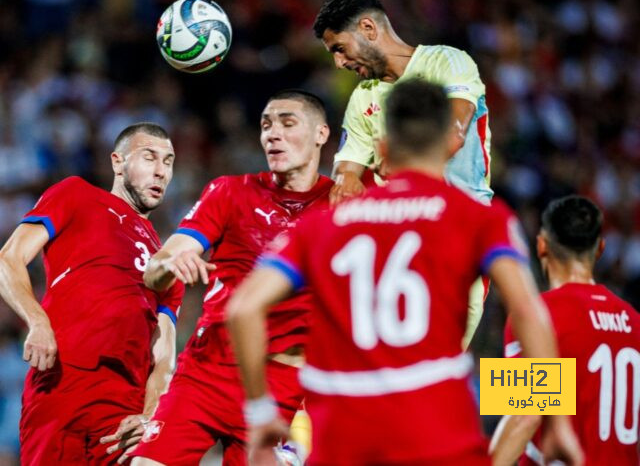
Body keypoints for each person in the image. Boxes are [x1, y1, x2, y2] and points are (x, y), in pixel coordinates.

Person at [227, 79, 583, 466]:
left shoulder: (324, 224)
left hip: (344, 431)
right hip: (435, 424)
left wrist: (261, 412)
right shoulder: (620, 317)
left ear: (382, 149)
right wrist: (561, 425)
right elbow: (529, 384)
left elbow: (242, 308)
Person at [129, 89, 332, 466]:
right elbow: (156, 268)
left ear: (321, 134)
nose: (273, 134)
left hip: (286, 388)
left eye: (288, 123)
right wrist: (168, 265)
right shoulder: (229, 192)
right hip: (207, 370)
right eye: (266, 125)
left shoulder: (345, 206)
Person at [313, 0, 492, 345]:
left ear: (367, 28)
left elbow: (454, 132)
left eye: (339, 48)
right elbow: (345, 174)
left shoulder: (447, 62)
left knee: (436, 365)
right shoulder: (363, 98)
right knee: (396, 369)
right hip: (398, 249)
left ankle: (544, 399)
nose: (339, 63)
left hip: (460, 235)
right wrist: (346, 186)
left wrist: (400, 166)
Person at [0, 122, 183, 465]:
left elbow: (164, 359)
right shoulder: (76, 195)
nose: (161, 171)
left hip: (124, 414)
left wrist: (149, 413)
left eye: (169, 161)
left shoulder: (167, 262)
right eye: (149, 157)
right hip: (62, 386)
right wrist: (37, 322)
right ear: (118, 162)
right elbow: (8, 259)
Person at [490, 195, 640, 466]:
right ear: (600, 249)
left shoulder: (536, 314)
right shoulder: (634, 321)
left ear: (541, 245)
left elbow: (525, 415)